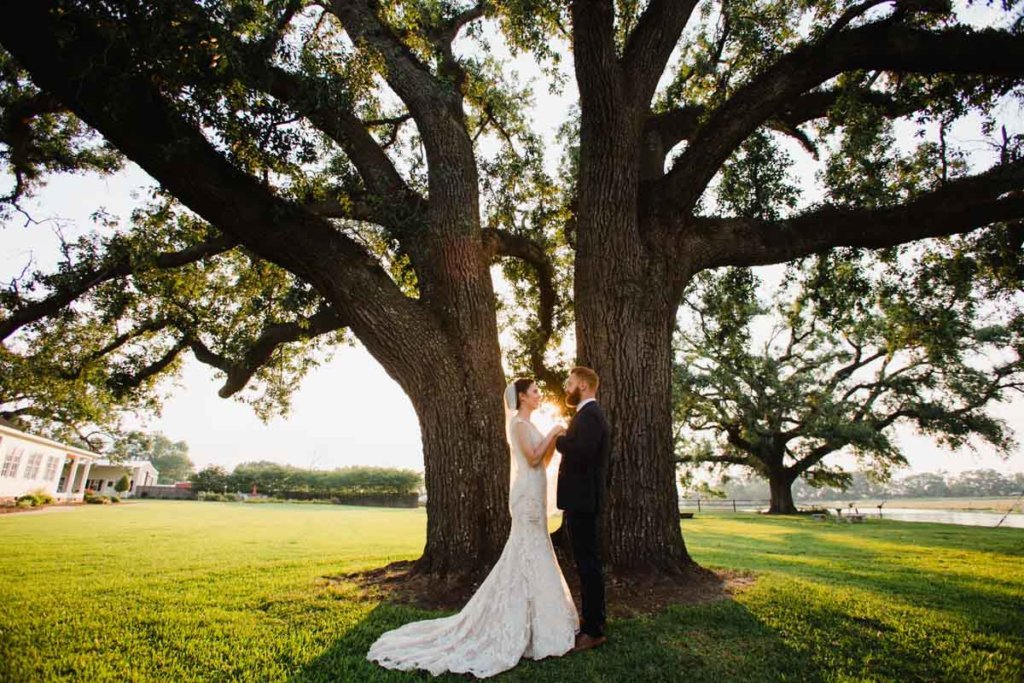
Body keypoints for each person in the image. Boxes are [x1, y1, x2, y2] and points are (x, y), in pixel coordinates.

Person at [366, 378, 578, 678]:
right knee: (529, 551)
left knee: (535, 551)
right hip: (526, 496)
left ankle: (541, 624)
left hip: (536, 490)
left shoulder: (530, 425)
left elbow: (541, 462)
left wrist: (552, 443)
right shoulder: (518, 424)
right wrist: (556, 431)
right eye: (534, 392)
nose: (539, 395)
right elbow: (530, 459)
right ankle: (526, 626)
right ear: (522, 397)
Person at [556, 366, 611, 652]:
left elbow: (582, 453)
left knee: (588, 564)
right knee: (586, 561)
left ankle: (593, 629)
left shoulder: (590, 416)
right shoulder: (586, 414)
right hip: (581, 499)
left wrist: (560, 440)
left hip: (584, 500)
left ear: (585, 386)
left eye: (570, 383)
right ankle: (591, 621)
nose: (567, 387)